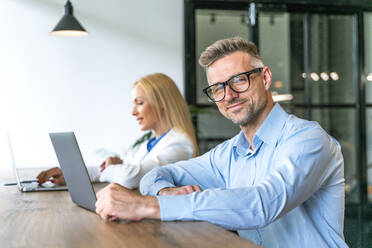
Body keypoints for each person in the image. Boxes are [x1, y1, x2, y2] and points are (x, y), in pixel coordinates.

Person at [94, 37, 347, 247]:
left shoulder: (308, 139)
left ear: (266, 78)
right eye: (217, 88)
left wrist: (148, 206)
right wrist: (164, 192)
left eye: (239, 79)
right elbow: (155, 175)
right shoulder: (226, 155)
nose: (229, 95)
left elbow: (261, 205)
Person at [37, 73, 199, 189]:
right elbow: (120, 172)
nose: (133, 112)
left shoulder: (180, 145)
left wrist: (114, 167)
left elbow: (131, 177)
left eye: (140, 103)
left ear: (162, 103)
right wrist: (70, 174)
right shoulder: (148, 145)